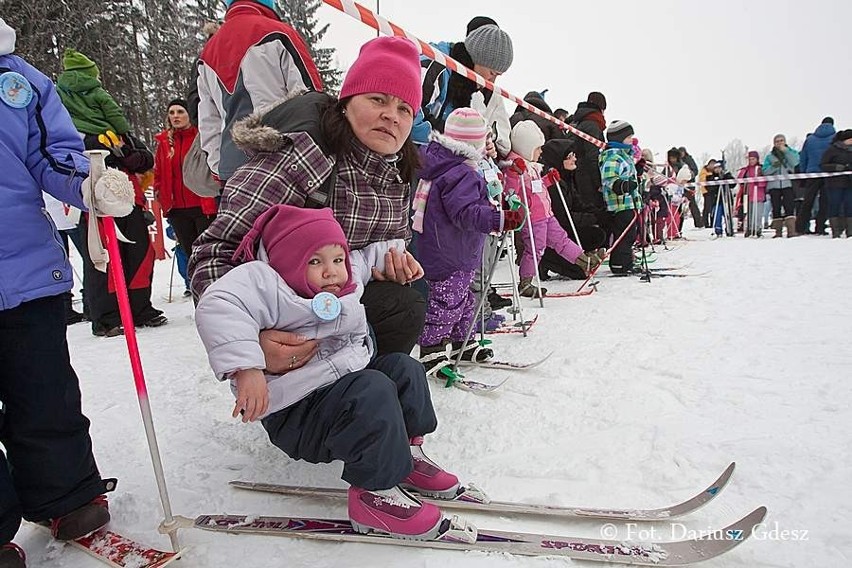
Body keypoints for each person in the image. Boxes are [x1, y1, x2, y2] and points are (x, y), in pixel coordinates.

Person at [194, 204, 473, 542]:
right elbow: (218, 304)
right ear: (289, 263)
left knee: (404, 368)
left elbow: (371, 257)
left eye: (336, 259)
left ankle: (406, 456)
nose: (331, 272)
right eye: (314, 262)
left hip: (338, 393)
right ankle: (375, 495)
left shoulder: (346, 275)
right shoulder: (267, 284)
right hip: (298, 414)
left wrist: (400, 255)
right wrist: (247, 369)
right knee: (371, 389)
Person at [190, 36, 427, 362]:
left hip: (340, 306)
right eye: (378, 99)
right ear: (346, 102)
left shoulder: (398, 172)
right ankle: (306, 403)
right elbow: (215, 251)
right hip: (283, 316)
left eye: (404, 108)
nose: (392, 116)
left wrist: (391, 267)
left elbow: (378, 256)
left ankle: (372, 392)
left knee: (407, 303)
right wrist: (251, 340)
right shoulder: (307, 150)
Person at [1, 18, 135, 565]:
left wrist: (89, 183)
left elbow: (52, 153)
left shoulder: (20, 82)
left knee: (44, 391)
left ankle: (65, 493)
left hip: (25, 274)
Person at [413, 108, 524, 370]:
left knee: (463, 299)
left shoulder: (450, 166)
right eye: (484, 139)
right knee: (446, 301)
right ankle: (432, 347)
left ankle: (464, 342)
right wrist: (499, 219)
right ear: (472, 143)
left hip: (450, 248)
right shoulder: (460, 173)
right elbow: (466, 212)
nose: (488, 145)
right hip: (450, 251)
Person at [196, 0, 323, 182]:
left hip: (232, 168)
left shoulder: (208, 52)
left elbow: (208, 121)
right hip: (284, 162)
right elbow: (311, 99)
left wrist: (218, 166)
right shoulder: (278, 33)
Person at [502, 121, 596, 297]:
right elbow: (512, 191)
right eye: (538, 148)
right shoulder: (516, 167)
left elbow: (536, 188)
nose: (541, 152)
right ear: (527, 148)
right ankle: (526, 281)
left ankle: (584, 261)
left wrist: (548, 180)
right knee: (536, 249)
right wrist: (516, 173)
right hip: (532, 217)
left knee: (561, 240)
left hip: (546, 214)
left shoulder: (533, 167)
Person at [414, 19, 514, 154]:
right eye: (492, 73)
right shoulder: (437, 65)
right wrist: (456, 139)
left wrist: (479, 142)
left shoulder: (467, 84)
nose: (492, 82)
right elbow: (411, 119)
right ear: (478, 58)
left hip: (430, 152)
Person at [153, 98, 217, 259]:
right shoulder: (164, 143)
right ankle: (193, 283)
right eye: (172, 113)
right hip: (177, 210)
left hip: (203, 206)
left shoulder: (201, 137)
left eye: (180, 112)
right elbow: (158, 173)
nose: (176, 116)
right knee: (190, 256)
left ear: (190, 114)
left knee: (208, 252)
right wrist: (160, 193)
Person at [538, 137, 607, 280]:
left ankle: (579, 255)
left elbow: (577, 204)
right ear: (558, 159)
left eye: (574, 155)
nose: (574, 159)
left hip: (566, 231)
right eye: (569, 156)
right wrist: (593, 218)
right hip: (556, 236)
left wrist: (599, 213)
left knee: (597, 234)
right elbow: (564, 218)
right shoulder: (553, 185)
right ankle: (549, 258)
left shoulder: (567, 178)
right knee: (580, 273)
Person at [55, 48, 130, 141]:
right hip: (102, 135)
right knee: (138, 153)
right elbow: (114, 113)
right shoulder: (97, 92)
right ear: (90, 74)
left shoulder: (58, 91)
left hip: (71, 134)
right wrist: (125, 132)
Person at [599, 121, 641, 274]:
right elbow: (609, 178)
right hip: (619, 204)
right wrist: (621, 185)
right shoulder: (613, 157)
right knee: (624, 235)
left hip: (629, 203)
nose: (631, 140)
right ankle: (619, 264)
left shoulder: (624, 156)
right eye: (629, 137)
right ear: (619, 138)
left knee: (630, 234)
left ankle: (626, 262)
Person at [566, 92, 608, 229]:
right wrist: (599, 182)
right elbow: (593, 156)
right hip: (587, 179)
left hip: (576, 175)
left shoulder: (578, 121)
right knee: (593, 212)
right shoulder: (592, 124)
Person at [797, 117, 836, 235]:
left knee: (808, 201)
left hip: (812, 172)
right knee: (825, 201)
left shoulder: (810, 139)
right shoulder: (834, 138)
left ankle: (801, 227)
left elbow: (803, 158)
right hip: (828, 173)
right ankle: (820, 227)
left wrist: (804, 173)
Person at [763, 134, 800, 238]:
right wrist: (774, 166)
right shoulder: (769, 157)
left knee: (789, 206)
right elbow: (765, 171)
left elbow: (795, 163)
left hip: (788, 184)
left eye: (781, 140)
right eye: (777, 141)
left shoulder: (792, 153)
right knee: (776, 207)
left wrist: (786, 152)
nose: (779, 143)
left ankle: (791, 231)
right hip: (774, 185)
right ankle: (777, 232)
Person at [819, 129, 852, 238]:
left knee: (849, 205)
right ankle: (836, 231)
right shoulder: (832, 150)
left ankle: (850, 231)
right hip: (834, 183)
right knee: (834, 205)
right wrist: (836, 167)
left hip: (849, 183)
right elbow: (823, 165)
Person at [737, 151, 768, 237]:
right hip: (748, 194)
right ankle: (749, 228)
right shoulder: (746, 170)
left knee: (758, 213)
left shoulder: (760, 168)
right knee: (749, 213)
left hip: (759, 194)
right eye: (750, 159)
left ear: (757, 159)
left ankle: (757, 229)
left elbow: (765, 180)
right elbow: (740, 180)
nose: (751, 161)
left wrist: (759, 183)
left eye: (753, 159)